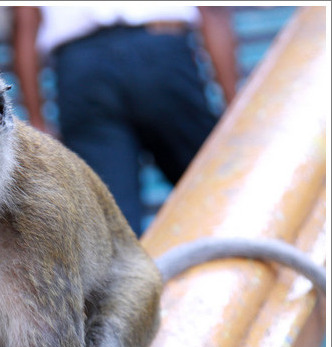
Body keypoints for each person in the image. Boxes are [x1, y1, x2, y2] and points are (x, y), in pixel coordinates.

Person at [12, 6, 237, 236]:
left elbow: (24, 25)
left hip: (83, 69)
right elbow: (212, 12)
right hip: (159, 50)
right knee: (224, 190)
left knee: (113, 232)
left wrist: (37, 120)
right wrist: (234, 107)